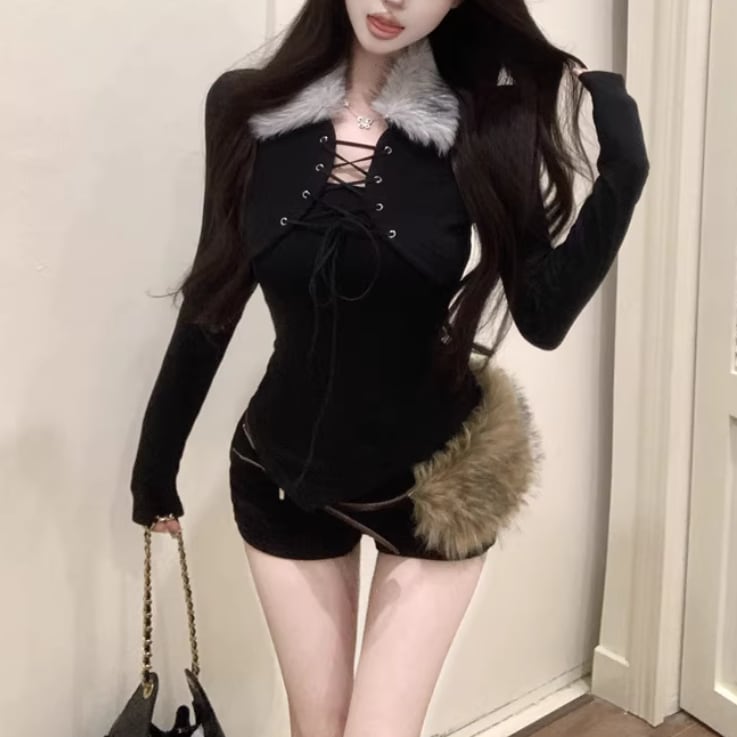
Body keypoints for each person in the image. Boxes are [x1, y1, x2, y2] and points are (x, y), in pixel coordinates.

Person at [129, 1, 650, 735]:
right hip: (282, 472)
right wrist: (155, 464)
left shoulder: (486, 121)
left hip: (433, 484)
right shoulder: (245, 107)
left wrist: (623, 175)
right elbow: (215, 296)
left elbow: (541, 314)